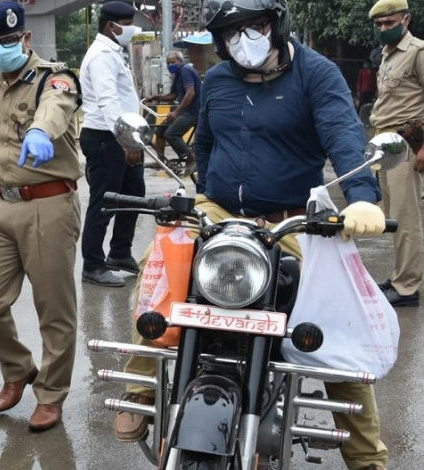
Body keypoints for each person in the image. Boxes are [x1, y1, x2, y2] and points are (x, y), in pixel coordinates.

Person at [116, 2, 391, 470]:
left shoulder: (317, 74)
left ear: (276, 25)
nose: (245, 38)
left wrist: (362, 196)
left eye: (256, 26)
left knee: (334, 314)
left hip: (292, 218)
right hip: (220, 208)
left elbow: (343, 134)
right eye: (232, 31)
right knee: (159, 266)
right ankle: (140, 386)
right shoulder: (219, 80)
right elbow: (206, 140)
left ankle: (367, 456)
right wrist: (199, 191)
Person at [0, 1, 82, 431]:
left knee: (53, 309)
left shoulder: (54, 79)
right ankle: (18, 368)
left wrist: (42, 131)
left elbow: (55, 110)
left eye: (7, 42)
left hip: (48, 204)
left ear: (25, 38)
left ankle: (51, 394)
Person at [79, 1, 145, 288]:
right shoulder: (101, 56)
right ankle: (93, 264)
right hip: (106, 137)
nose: (131, 28)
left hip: (121, 135)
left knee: (133, 194)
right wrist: (125, 139)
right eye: (128, 23)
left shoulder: (114, 52)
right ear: (112, 26)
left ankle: (119, 252)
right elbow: (108, 100)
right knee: (104, 203)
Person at [370, 0, 424, 308]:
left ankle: (407, 288)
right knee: (394, 217)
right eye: (379, 25)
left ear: (406, 19)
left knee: (407, 217)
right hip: (387, 144)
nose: (383, 29)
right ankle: (399, 276)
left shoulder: (417, 52)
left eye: (389, 24)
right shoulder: (388, 55)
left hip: (408, 142)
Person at [147, 51, 202, 176]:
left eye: (173, 62)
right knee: (159, 131)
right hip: (186, 111)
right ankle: (160, 160)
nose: (170, 65)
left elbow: (190, 93)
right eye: (168, 63)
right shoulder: (177, 74)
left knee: (171, 134)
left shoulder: (185, 71)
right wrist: (155, 96)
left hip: (194, 112)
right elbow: (173, 95)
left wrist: (176, 113)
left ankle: (192, 158)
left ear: (181, 62)